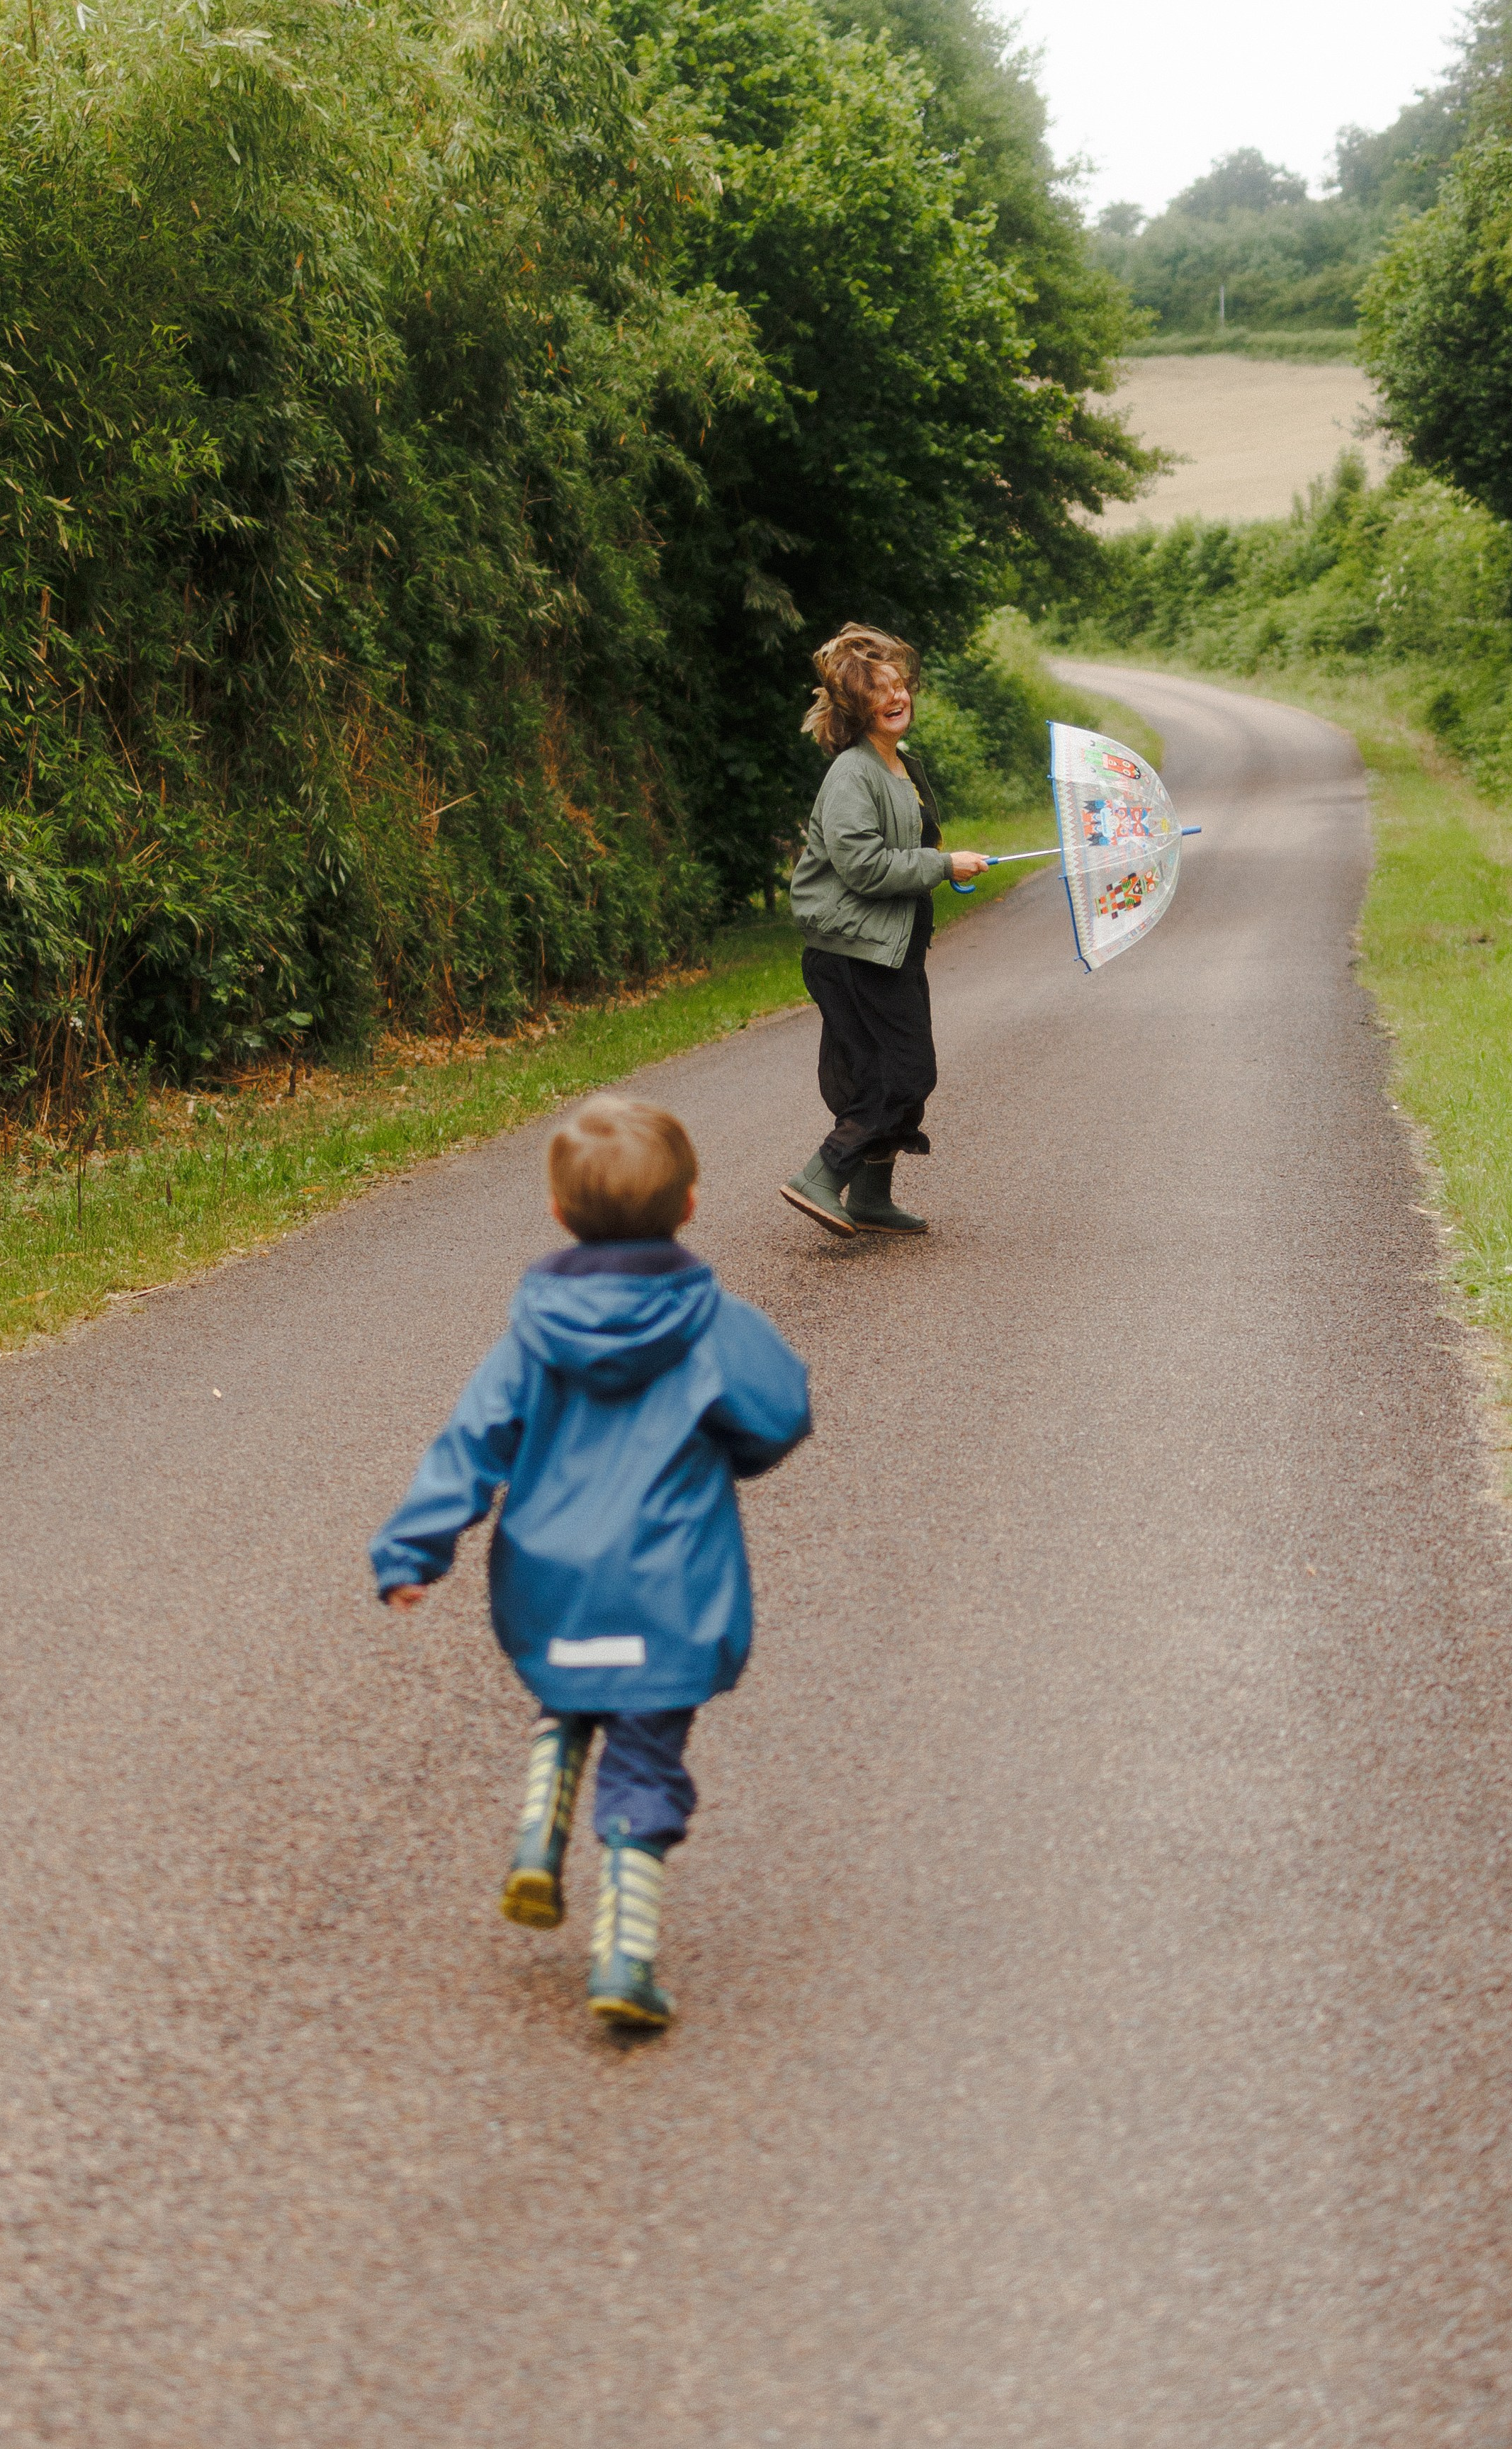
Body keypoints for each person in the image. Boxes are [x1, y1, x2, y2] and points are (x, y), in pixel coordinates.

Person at [369, 1095, 811, 2031]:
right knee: (646, 1755)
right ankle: (624, 1958)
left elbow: (472, 1440)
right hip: (672, 1582)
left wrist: (415, 1547)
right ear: (690, 1207)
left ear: (559, 1215)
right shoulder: (713, 1324)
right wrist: (732, 1452)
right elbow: (779, 1415)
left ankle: (543, 1816)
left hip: (552, 1577)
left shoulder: (533, 1334)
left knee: (577, 1678)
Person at [783, 622, 989, 1238]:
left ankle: (871, 1196)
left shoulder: (900, 766)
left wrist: (945, 868)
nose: (896, 697)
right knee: (901, 1072)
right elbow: (864, 865)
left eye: (900, 685)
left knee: (882, 1073)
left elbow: (907, 849)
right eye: (880, 690)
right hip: (853, 951)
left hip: (890, 947)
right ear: (854, 705)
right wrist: (939, 865)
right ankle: (822, 1174)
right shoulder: (853, 772)